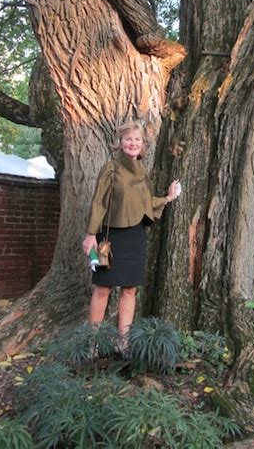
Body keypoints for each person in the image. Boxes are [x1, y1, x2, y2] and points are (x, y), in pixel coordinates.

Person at [82, 119, 180, 346]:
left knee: (129, 289)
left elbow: (144, 203)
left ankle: (123, 342)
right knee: (103, 288)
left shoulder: (142, 172)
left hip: (135, 236)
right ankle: (92, 342)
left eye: (137, 139)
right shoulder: (111, 168)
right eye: (128, 139)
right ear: (120, 142)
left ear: (143, 144)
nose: (132, 143)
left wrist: (167, 198)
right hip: (109, 237)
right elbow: (98, 203)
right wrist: (90, 235)